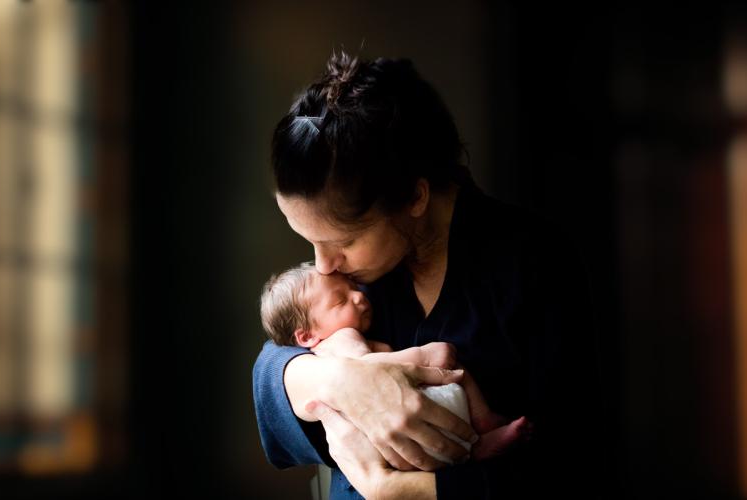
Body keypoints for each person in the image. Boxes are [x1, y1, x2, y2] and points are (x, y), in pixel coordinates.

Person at [251, 51, 602, 499]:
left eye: (343, 242)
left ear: (414, 197)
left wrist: (400, 489)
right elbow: (272, 364)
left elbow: (572, 459)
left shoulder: (533, 261)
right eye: (311, 243)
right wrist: (335, 381)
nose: (323, 266)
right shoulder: (355, 278)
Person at [257, 261, 532, 462]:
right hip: (396, 428)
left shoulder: (334, 340)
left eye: (352, 287)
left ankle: (477, 444)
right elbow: (368, 373)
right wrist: (422, 356)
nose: (358, 296)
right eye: (341, 300)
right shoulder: (342, 339)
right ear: (306, 336)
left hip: (394, 436)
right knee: (455, 371)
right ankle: (483, 424)